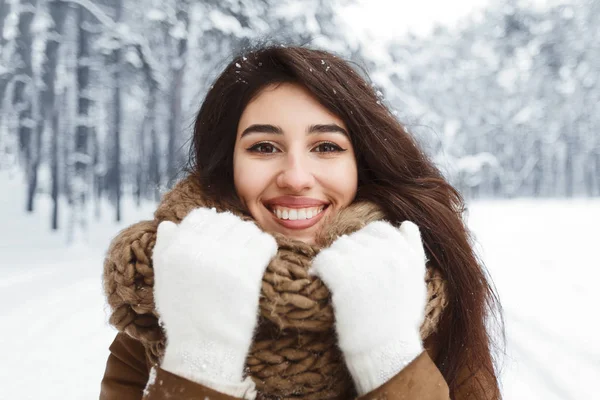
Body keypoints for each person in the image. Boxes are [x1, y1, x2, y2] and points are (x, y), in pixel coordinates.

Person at [100, 45, 503, 400]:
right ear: (229, 166)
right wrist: (201, 360)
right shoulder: (163, 304)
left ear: (360, 164)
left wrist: (389, 358)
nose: (295, 176)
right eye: (263, 147)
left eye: (326, 146)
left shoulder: (431, 302)